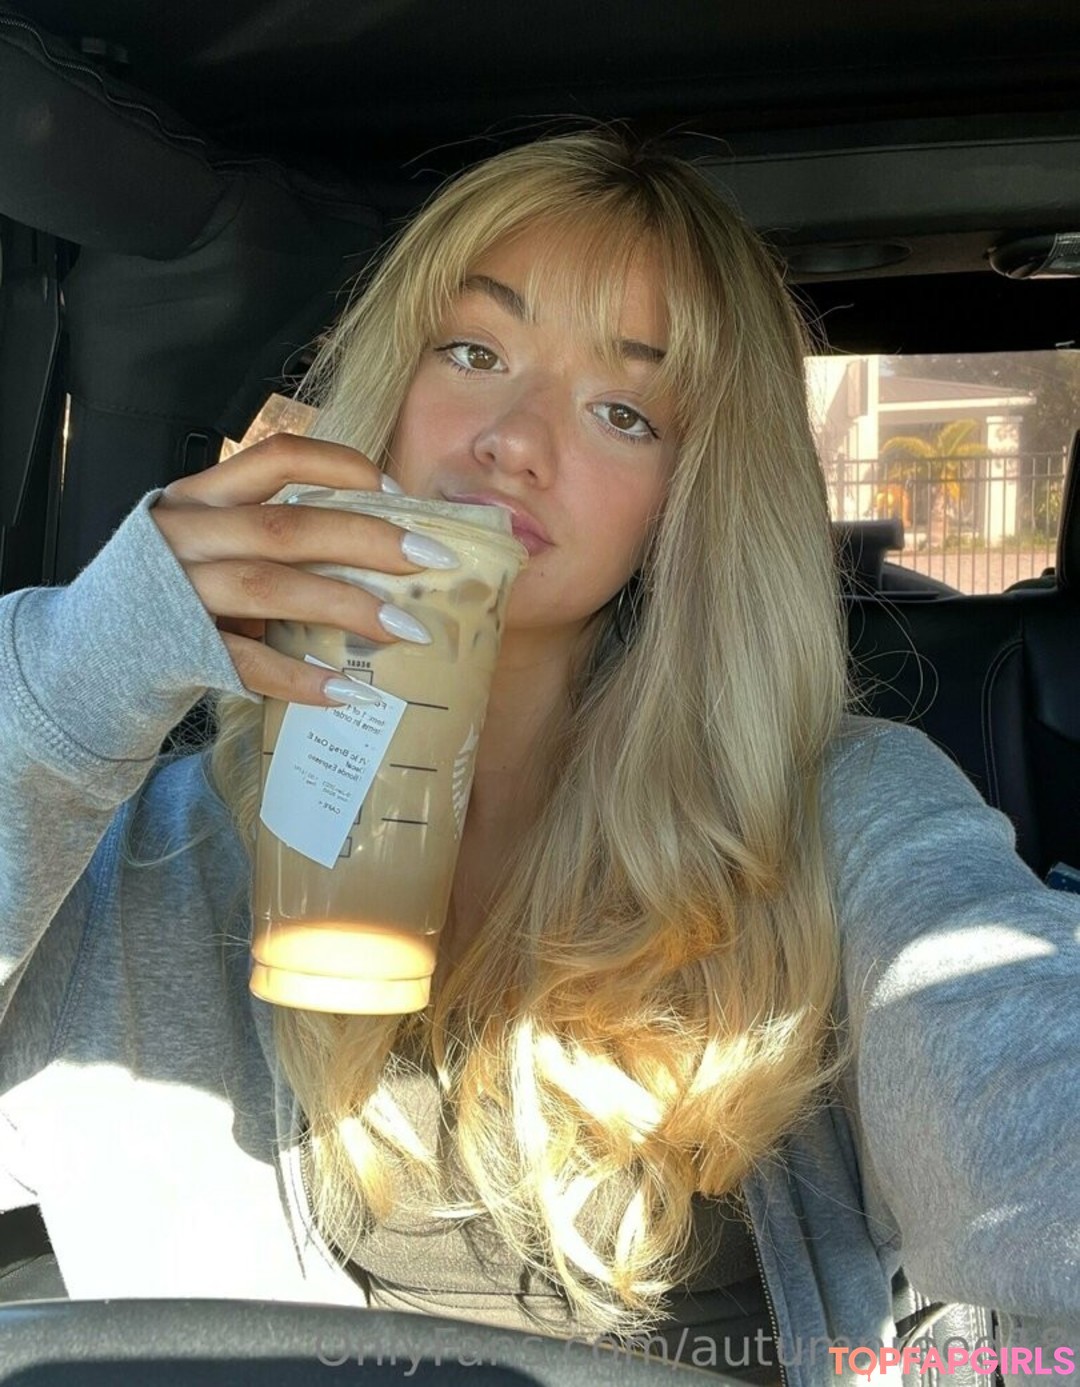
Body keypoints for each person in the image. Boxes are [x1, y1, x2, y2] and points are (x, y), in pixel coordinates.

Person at [0, 130, 1077, 1387]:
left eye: (624, 411)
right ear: (392, 391)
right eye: (473, 351)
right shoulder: (153, 847)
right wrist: (83, 663)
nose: (513, 439)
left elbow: (1018, 1067)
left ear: (685, 500)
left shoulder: (837, 814)